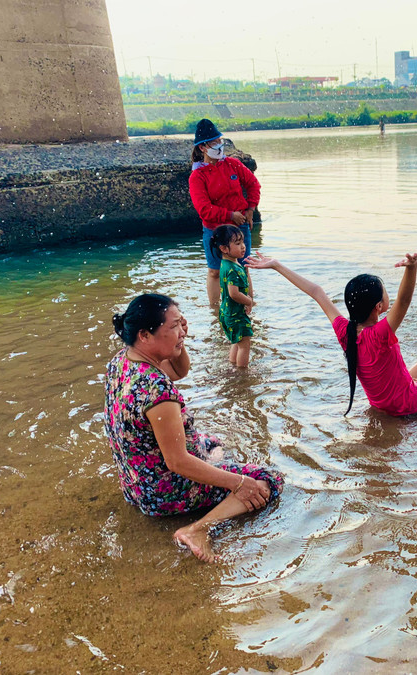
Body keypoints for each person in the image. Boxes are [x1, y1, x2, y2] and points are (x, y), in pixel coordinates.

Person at [104, 293, 283, 562]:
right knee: (267, 481)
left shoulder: (123, 360)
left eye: (181, 323)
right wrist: (239, 483)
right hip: (164, 493)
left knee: (212, 442)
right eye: (173, 326)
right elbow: (177, 462)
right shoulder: (157, 391)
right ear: (145, 335)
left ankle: (211, 466)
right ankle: (197, 529)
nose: (181, 331)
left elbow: (179, 371)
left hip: (135, 483)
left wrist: (179, 340)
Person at [247, 250, 417, 416]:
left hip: (387, 401)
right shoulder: (378, 334)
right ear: (379, 307)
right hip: (414, 403)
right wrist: (412, 268)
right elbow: (405, 300)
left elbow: (317, 292)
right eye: (385, 292)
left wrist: (277, 265)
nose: (389, 296)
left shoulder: (345, 330)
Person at [189, 118, 261, 305]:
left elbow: (253, 184)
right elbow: (203, 209)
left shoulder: (233, 164)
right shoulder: (198, 176)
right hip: (214, 229)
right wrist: (229, 215)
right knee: (214, 271)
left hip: (239, 226)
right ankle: (215, 310)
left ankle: (249, 306)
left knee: (243, 266)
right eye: (214, 143)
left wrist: (251, 208)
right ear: (203, 148)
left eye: (219, 141)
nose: (219, 146)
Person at [211, 225, 254, 367]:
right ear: (224, 248)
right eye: (238, 243)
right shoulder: (232, 269)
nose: (243, 246)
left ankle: (233, 366)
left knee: (236, 341)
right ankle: (242, 373)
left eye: (243, 242)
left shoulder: (226, 264)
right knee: (244, 345)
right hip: (236, 315)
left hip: (228, 312)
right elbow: (234, 293)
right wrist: (249, 301)